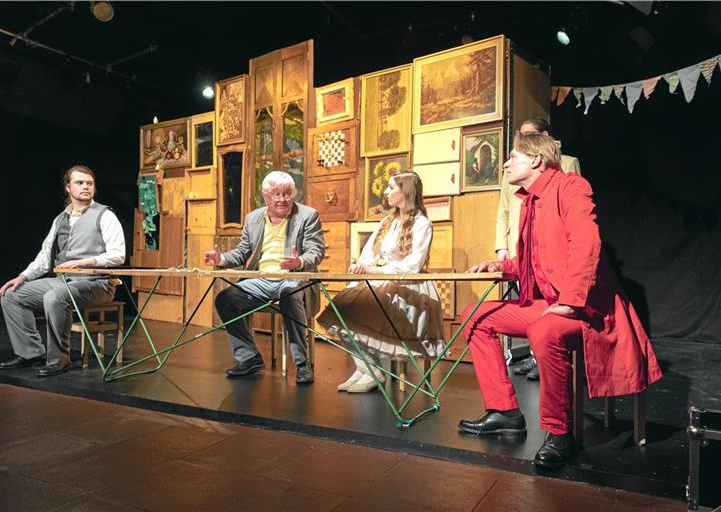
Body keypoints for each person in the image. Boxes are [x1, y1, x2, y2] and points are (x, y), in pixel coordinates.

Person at [458, 132, 662, 468]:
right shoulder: (530, 202)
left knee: (544, 331)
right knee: (475, 316)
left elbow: (587, 244)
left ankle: (560, 433)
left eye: (513, 157)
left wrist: (570, 301)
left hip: (588, 307)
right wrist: (501, 266)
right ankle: (504, 411)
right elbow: (536, 260)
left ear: (536, 160)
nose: (506, 163)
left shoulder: (570, 187)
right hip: (552, 302)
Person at [317, 171, 446, 393]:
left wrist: (376, 270)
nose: (385, 192)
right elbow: (370, 253)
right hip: (380, 281)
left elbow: (413, 264)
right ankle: (366, 369)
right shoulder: (387, 221)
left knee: (361, 309)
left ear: (404, 191)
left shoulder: (422, 223)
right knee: (340, 310)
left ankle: (372, 372)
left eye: (390, 187)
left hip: (406, 286)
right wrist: (362, 265)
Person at [0, 165, 126, 377]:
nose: (86, 186)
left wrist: (85, 262)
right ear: (68, 187)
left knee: (54, 297)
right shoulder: (60, 219)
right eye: (80, 182)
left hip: (97, 284)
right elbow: (44, 255)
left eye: (90, 183)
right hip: (63, 280)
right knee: (11, 295)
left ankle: (59, 360)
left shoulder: (104, 215)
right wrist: (22, 277)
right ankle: (31, 353)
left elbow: (118, 254)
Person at [205, 171, 324, 384]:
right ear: (265, 195)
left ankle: (302, 363)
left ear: (293, 194)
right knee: (225, 299)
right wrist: (221, 258)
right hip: (260, 280)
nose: (282, 199)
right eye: (276, 194)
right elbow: (242, 252)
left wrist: (300, 262)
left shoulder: (308, 215)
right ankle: (249, 357)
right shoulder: (253, 218)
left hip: (293, 279)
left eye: (287, 193)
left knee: (290, 293)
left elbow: (316, 251)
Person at [496, 118, 582, 381]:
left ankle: (550, 360)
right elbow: (504, 209)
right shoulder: (510, 173)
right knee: (528, 302)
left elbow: (574, 217)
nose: (522, 140)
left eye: (530, 136)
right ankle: (536, 356)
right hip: (520, 247)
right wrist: (501, 247)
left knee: (549, 305)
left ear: (544, 138)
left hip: (550, 246)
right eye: (520, 136)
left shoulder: (566, 165)